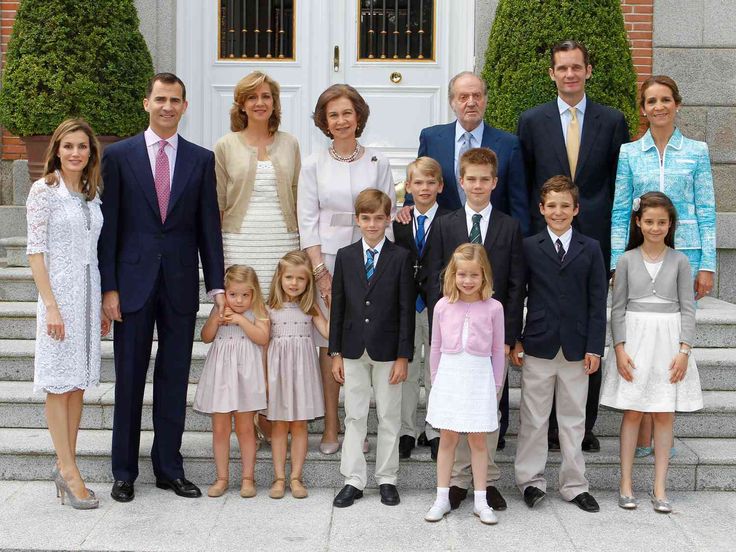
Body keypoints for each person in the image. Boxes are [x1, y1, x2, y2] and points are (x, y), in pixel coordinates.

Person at [99, 73, 225, 503]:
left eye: (175, 100)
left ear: (185, 107)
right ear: (146, 103)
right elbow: (109, 229)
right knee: (130, 379)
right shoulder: (118, 156)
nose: (167, 106)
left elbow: (209, 227)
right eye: (160, 99)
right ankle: (124, 472)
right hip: (131, 287)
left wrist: (217, 287)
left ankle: (169, 469)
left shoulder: (201, 159)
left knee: (173, 380)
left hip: (178, 285)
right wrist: (109, 288)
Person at [517, 39, 630, 452]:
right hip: (545, 241)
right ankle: (546, 426)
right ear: (552, 73)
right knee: (548, 323)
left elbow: (620, 184)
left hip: (593, 238)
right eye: (562, 68)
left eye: (576, 67)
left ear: (588, 71)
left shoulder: (612, 120)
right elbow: (526, 182)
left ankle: (585, 426)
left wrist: (617, 245)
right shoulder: (532, 120)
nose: (569, 74)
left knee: (586, 323)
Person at [298, 84, 395, 455]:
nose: (341, 121)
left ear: (359, 117)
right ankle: (331, 425)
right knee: (329, 343)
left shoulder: (378, 162)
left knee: (364, 340)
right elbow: (306, 219)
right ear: (324, 121)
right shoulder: (313, 164)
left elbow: (385, 215)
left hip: (370, 262)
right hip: (328, 261)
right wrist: (320, 271)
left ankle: (359, 426)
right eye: (333, 114)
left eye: (347, 113)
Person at [427, 147, 525, 513]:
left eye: (486, 179)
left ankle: (488, 483)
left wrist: (509, 339)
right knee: (452, 424)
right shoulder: (445, 223)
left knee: (486, 419)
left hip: (489, 342)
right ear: (461, 181)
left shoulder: (509, 225)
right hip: (453, 337)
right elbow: (435, 273)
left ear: (495, 183)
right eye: (472, 179)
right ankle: (455, 484)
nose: (479, 185)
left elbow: (516, 285)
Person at [601, 192, 703, 513]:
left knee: (663, 413)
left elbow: (688, 309)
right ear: (638, 223)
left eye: (661, 222)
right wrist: (619, 349)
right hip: (635, 342)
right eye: (649, 222)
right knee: (632, 412)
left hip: (669, 344)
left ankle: (660, 487)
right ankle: (626, 483)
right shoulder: (626, 260)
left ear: (670, 224)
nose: (655, 228)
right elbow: (617, 310)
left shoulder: (681, 261)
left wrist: (684, 350)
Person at [511, 176, 608, 514]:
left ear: (576, 209)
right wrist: (515, 339)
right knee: (534, 419)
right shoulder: (529, 246)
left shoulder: (591, 248)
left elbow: (598, 303)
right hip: (538, 344)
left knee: (572, 419)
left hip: (577, 349)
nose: (558, 211)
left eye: (565, 205)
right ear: (541, 209)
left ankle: (574, 485)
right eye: (551, 205)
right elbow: (517, 295)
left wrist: (595, 347)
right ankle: (530, 482)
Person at [26, 118, 108, 509]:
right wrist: (51, 306)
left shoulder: (91, 195)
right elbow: (35, 252)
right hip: (58, 299)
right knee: (59, 385)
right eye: (68, 146)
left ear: (91, 152)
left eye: (82, 146)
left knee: (77, 385)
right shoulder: (44, 191)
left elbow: (92, 253)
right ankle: (69, 470)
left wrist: (101, 304)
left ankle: (66, 464)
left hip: (88, 299)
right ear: (56, 150)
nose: (76, 152)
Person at [328, 189, 414, 508]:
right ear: (357, 220)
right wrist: (334, 351)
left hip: (389, 350)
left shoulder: (401, 257)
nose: (373, 224)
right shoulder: (346, 256)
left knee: (389, 414)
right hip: (351, 348)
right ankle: (353, 479)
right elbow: (338, 306)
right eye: (366, 218)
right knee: (355, 415)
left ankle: (387, 477)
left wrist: (403, 355)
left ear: (388, 219)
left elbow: (406, 309)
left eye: (379, 218)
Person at [424, 244, 504, 525]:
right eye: (461, 274)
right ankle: (441, 498)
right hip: (449, 377)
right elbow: (435, 348)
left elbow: (497, 350)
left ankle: (481, 500)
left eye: (474, 275)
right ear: (452, 275)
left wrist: (495, 386)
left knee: (478, 441)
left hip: (479, 378)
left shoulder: (494, 308)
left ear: (484, 276)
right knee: (447, 438)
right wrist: (436, 380)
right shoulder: (443, 306)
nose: (467, 281)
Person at [400, 71, 529, 236]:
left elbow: (518, 201)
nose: (471, 102)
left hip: (492, 236)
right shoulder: (431, 138)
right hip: (443, 235)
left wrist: (521, 242)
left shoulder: (508, 144)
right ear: (451, 102)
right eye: (463, 97)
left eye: (477, 96)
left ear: (485, 100)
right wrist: (408, 205)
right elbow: (421, 174)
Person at [215, 71, 301, 286]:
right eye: (252, 97)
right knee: (243, 303)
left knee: (280, 303)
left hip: (283, 238)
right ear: (241, 105)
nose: (260, 103)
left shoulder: (290, 143)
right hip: (238, 241)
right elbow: (219, 202)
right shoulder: (225, 145)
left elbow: (298, 194)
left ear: (274, 103)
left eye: (266, 96)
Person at [193, 265, 269, 498]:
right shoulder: (220, 311)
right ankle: (222, 477)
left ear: (254, 294)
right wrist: (217, 318)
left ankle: (248, 478)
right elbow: (205, 337)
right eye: (233, 294)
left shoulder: (257, 312)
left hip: (245, 375)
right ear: (224, 292)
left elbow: (263, 337)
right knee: (220, 428)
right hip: (221, 375)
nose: (238, 300)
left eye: (245, 295)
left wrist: (240, 320)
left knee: (246, 428)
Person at [392, 157, 450, 461]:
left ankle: (435, 429)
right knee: (408, 369)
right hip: (407, 305)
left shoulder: (452, 220)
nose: (424, 188)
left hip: (439, 305)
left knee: (436, 370)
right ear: (409, 187)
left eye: (430, 182)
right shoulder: (398, 222)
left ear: (440, 186)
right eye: (418, 183)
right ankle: (406, 431)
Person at [265, 251, 329, 499]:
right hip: (278, 373)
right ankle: (279, 478)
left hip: (303, 373)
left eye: (300, 279)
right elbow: (262, 344)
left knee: (300, 424)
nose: (293, 283)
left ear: (308, 282)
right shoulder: (269, 308)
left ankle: (296, 477)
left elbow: (328, 331)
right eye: (289, 277)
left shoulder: (310, 308)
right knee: (279, 425)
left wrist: (331, 301)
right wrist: (263, 377)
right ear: (279, 278)